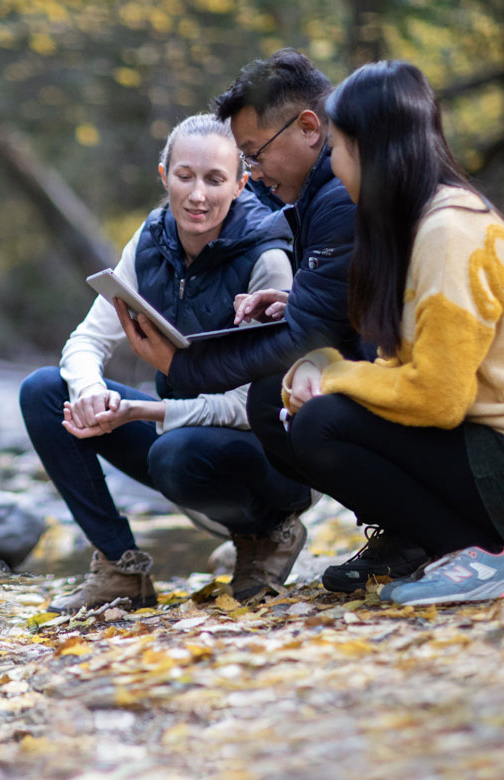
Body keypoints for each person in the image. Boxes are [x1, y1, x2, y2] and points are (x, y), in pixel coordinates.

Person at [277, 60, 504, 605]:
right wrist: (325, 371)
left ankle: (474, 555)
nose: (331, 162)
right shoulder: (430, 224)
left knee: (322, 425)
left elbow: (436, 399)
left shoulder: (447, 233)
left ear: (369, 149)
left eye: (336, 147)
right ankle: (439, 545)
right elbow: (414, 374)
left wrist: (336, 377)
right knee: (308, 410)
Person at [115, 49, 427, 584]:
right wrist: (296, 298)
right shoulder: (317, 194)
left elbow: (310, 336)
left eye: (253, 154)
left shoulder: (337, 196)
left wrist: (184, 367)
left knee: (279, 399)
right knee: (276, 398)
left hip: (423, 389)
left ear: (309, 128)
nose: (252, 173)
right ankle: (404, 530)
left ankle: (417, 533)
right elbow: (345, 303)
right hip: (397, 375)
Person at [20, 114, 311, 613]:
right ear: (164, 176)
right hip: (178, 437)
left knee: (172, 453)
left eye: (215, 180)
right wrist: (90, 390)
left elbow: (254, 406)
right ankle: (119, 567)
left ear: (240, 184)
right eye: (185, 176)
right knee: (44, 390)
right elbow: (87, 339)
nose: (198, 195)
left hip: (269, 460)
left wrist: (138, 413)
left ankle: (270, 533)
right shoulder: (152, 240)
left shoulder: (268, 256)